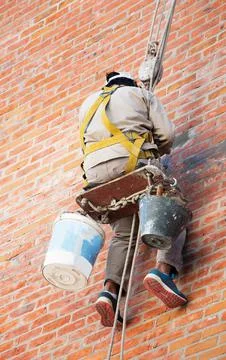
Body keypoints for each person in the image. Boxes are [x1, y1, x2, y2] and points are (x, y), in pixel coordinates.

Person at [79, 71, 187, 327]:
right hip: (132, 161)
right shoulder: (141, 94)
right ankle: (163, 272)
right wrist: (155, 151)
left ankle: (110, 291)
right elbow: (167, 135)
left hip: (96, 175)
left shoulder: (86, 105)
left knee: (123, 234)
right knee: (173, 208)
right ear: (131, 83)